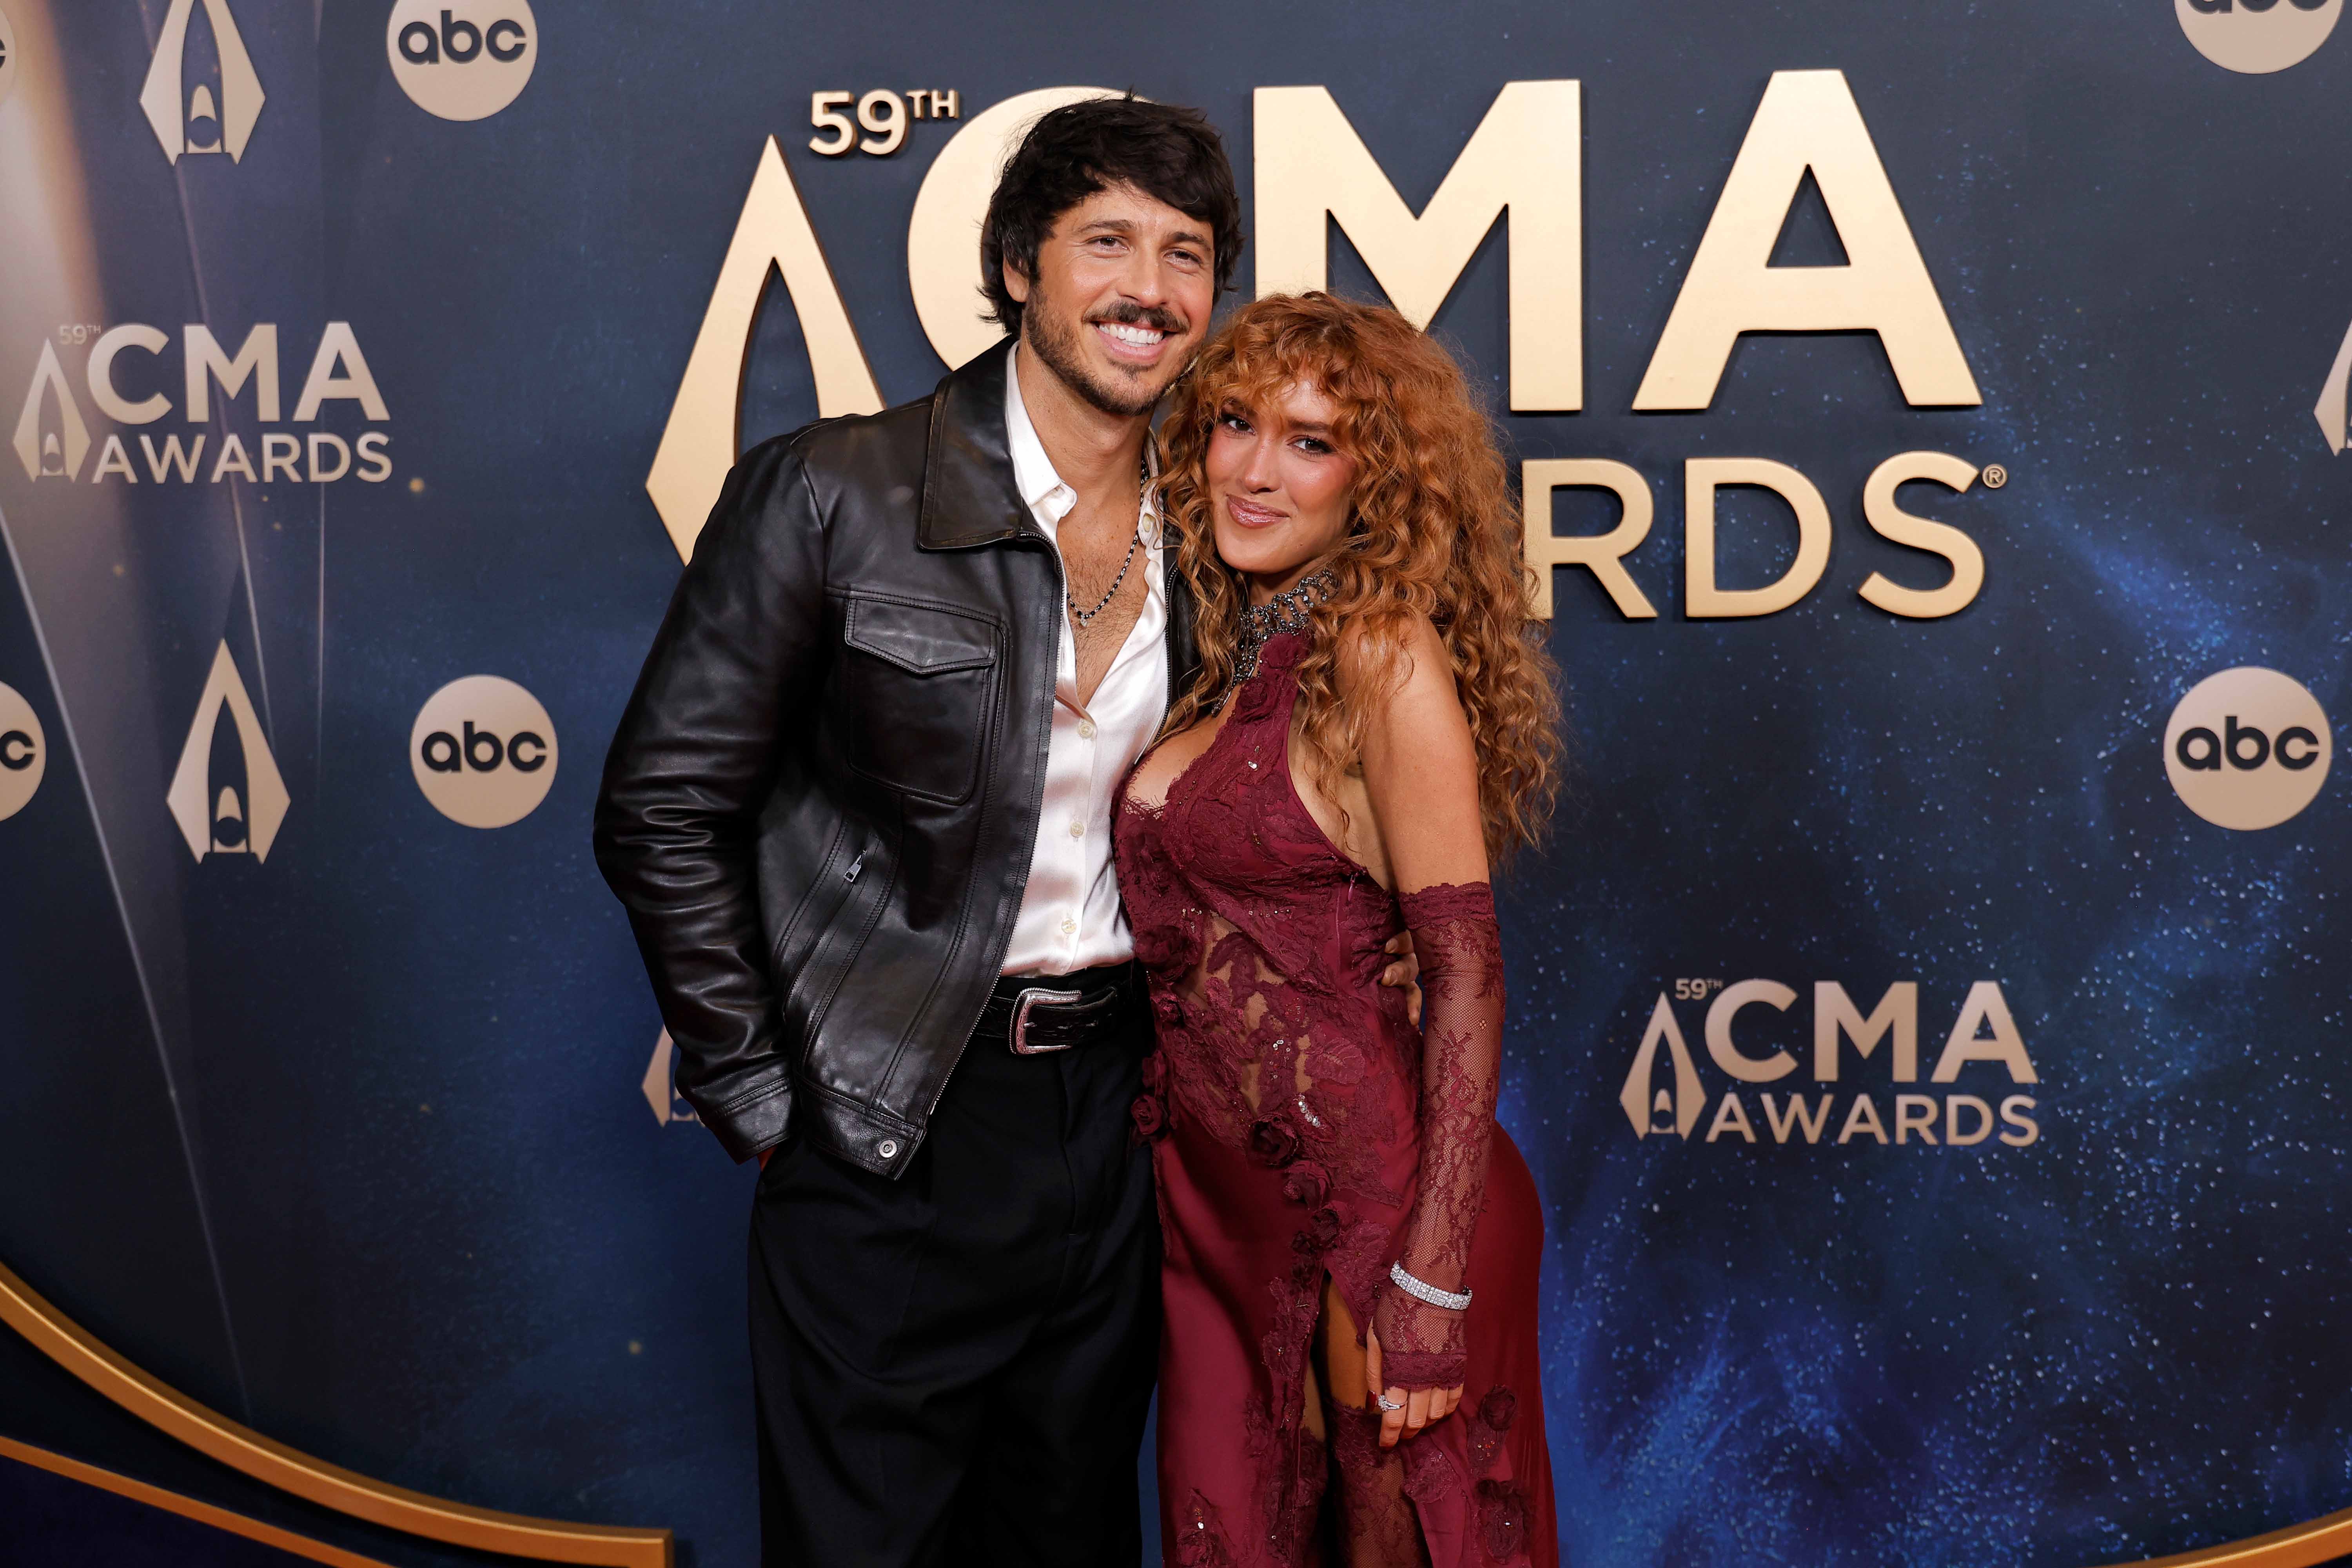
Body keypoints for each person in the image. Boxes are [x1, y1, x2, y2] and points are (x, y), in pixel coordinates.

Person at [594, 101, 1414, 1567]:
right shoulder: (835, 491)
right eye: (1106, 241)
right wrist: (770, 1108)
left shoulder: (1214, 529)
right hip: (889, 1117)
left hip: (1115, 1122)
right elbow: (662, 803)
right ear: (1018, 267)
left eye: (1186, 256)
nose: (1150, 290)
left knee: (1068, 1539)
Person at [1115, 292, 1564, 1567]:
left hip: (1379, 1219)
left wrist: (1426, 1278)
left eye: (1311, 442)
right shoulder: (1229, 661)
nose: (1256, 471)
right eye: (1237, 425)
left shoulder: (1378, 649)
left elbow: (1465, 971)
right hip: (1218, 1232)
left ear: (1377, 481)